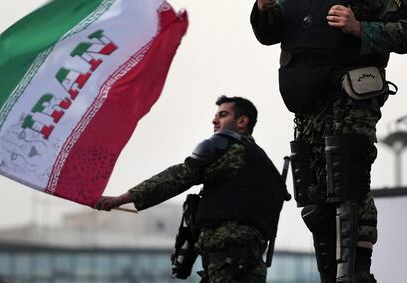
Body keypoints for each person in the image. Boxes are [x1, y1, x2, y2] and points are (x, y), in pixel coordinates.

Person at [251, 0, 407, 283]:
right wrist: (263, 10)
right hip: (306, 111)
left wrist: (360, 27)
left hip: (349, 104)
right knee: (313, 200)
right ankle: (330, 275)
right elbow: (268, 34)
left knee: (348, 189)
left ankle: (356, 275)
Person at [95, 96, 286, 282]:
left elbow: (179, 176)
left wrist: (120, 199)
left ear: (242, 121)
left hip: (229, 260)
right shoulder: (263, 163)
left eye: (223, 114)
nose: (215, 119)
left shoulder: (234, 150)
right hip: (248, 259)